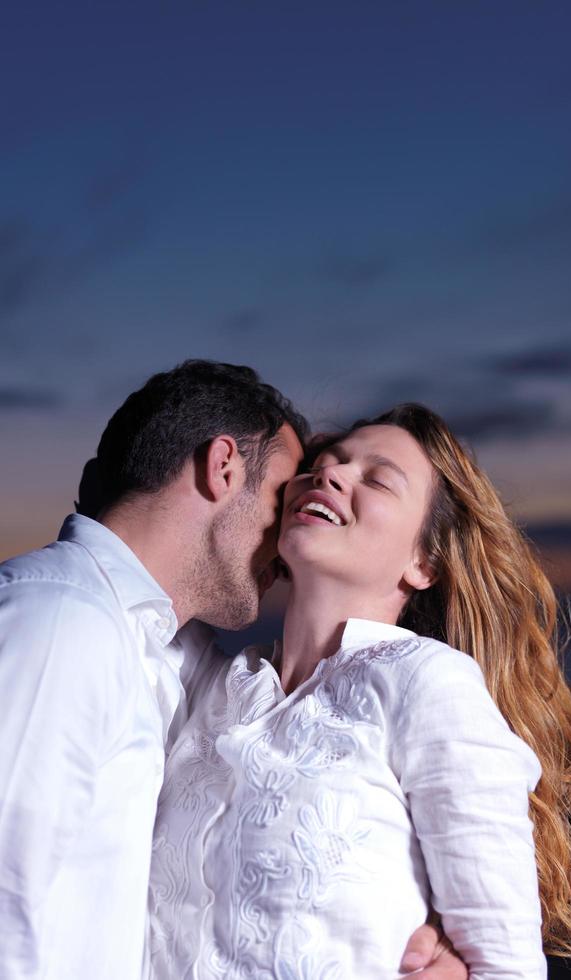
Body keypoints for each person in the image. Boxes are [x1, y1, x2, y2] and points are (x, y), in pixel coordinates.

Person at [0, 363, 462, 980]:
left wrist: (426, 924)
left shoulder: (173, 659)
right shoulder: (60, 620)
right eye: (281, 499)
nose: (289, 529)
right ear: (223, 468)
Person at [148, 404, 571, 979]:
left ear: (423, 561)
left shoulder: (426, 682)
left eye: (376, 479)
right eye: (325, 463)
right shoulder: (211, 681)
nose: (330, 475)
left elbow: (507, 966)